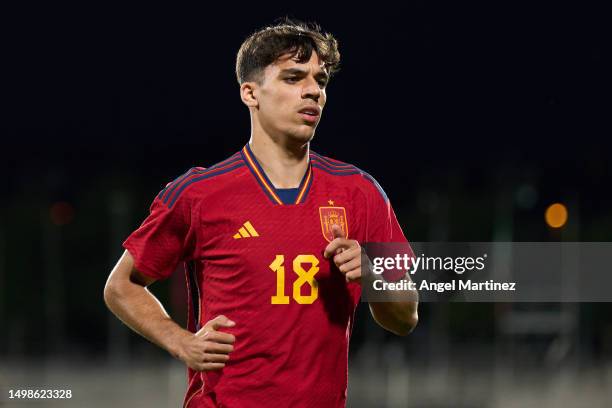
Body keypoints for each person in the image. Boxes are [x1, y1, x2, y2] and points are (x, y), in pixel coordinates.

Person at [104, 19, 418, 408]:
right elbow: (121, 286)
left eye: (320, 81)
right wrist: (180, 340)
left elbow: (405, 317)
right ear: (250, 93)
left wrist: (374, 273)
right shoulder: (199, 194)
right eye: (293, 77)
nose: (313, 92)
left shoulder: (360, 192)